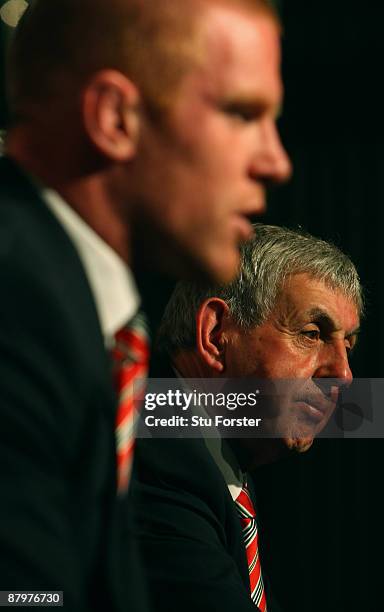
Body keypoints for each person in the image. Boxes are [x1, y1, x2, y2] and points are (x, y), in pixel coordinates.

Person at [0, 1, 291, 610]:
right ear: (115, 117)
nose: (275, 161)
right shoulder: (18, 305)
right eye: (242, 113)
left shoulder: (83, 310)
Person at [133, 224, 362, 612]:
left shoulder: (223, 466)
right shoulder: (157, 462)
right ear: (216, 334)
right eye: (311, 333)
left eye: (348, 345)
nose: (343, 374)